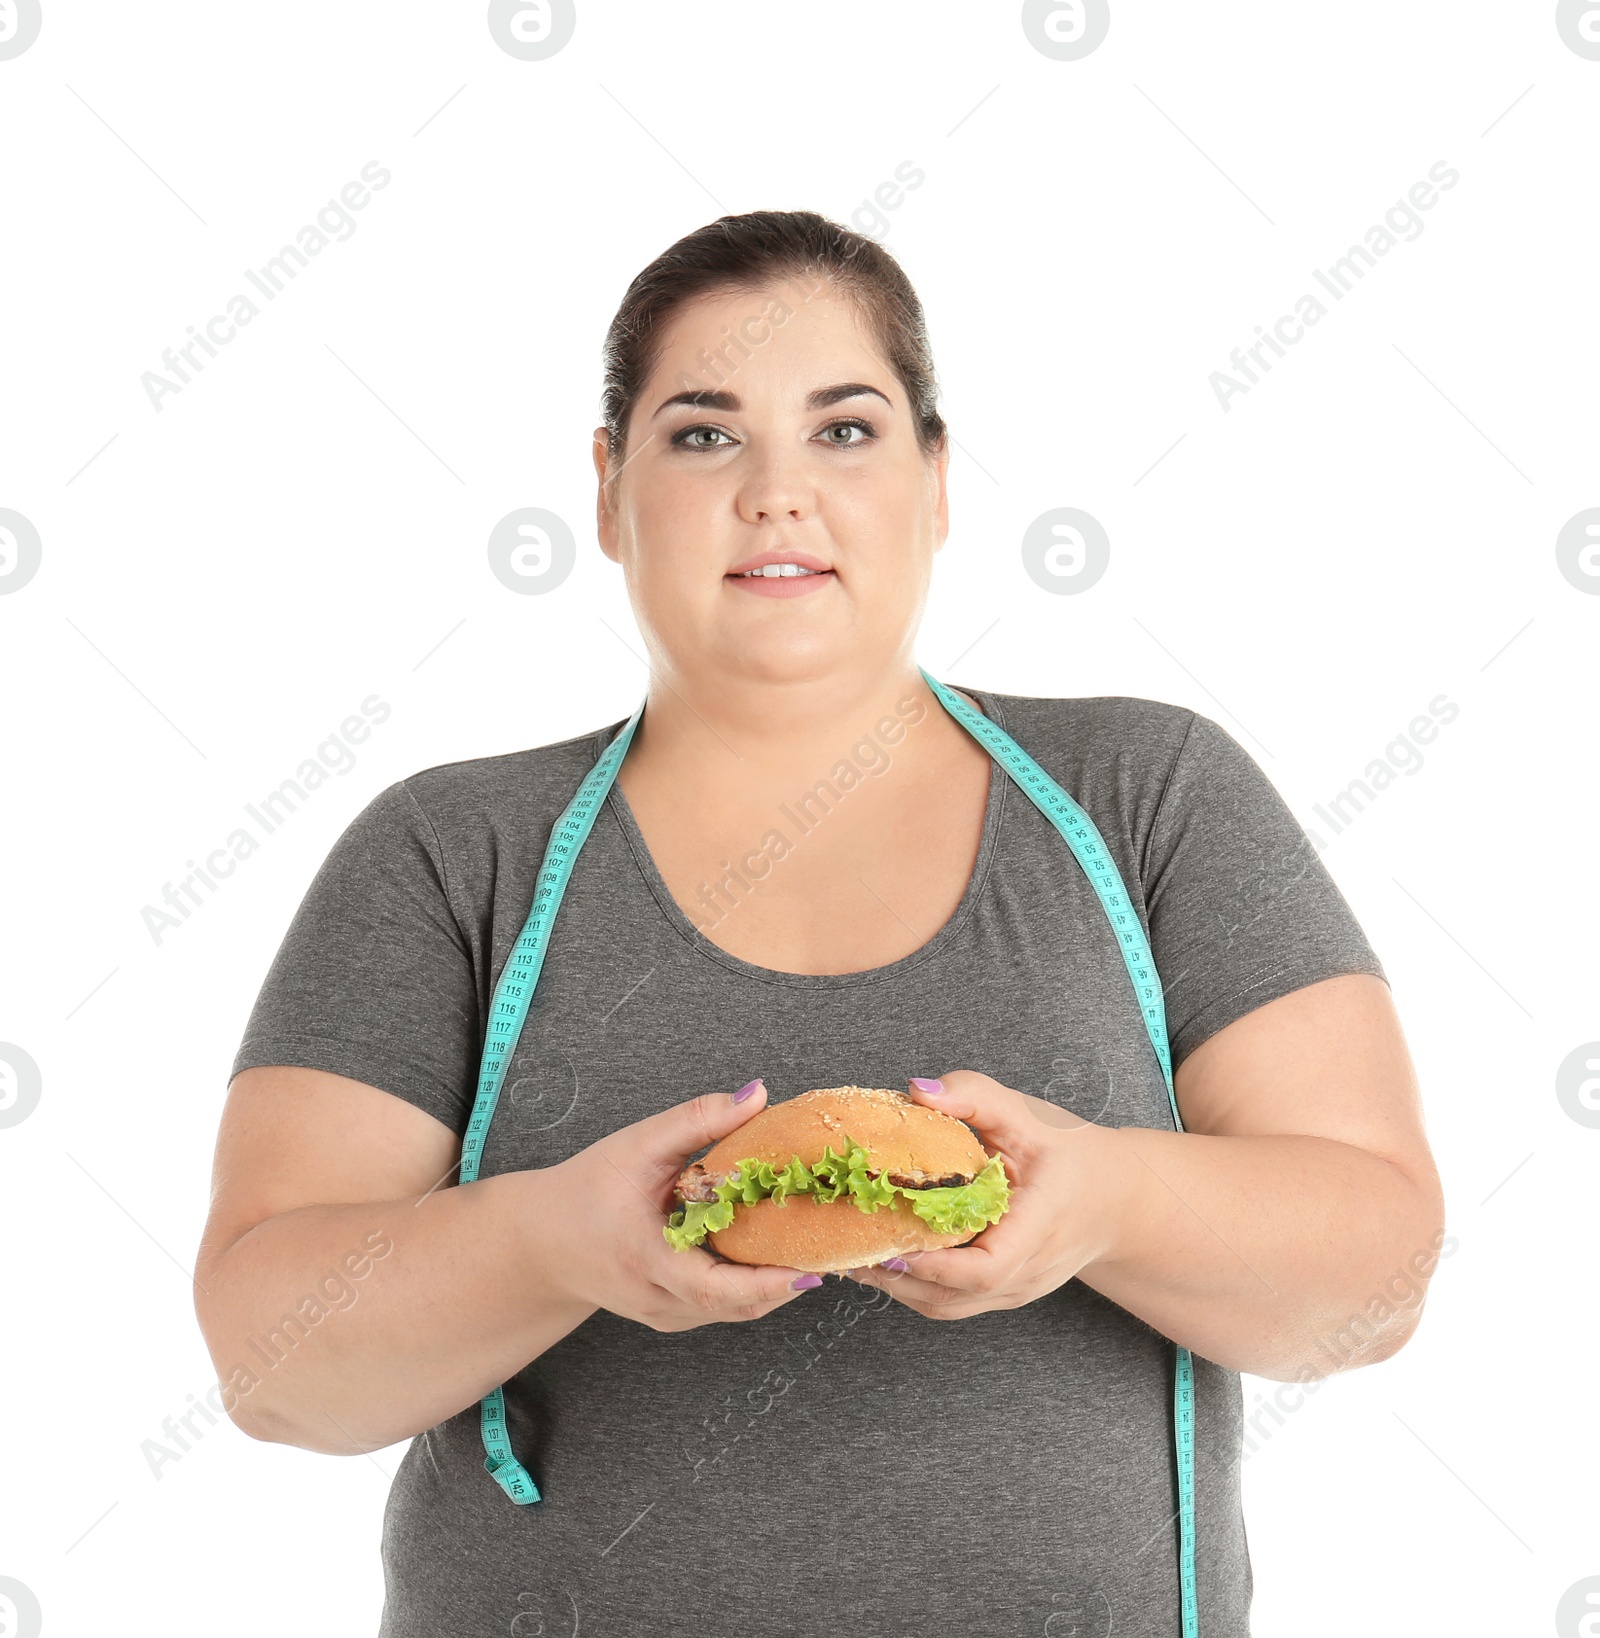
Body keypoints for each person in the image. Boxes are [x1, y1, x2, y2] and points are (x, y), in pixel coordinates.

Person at [193, 210, 1446, 1637]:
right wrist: (554, 1241)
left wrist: (1109, 1200)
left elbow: (1379, 1281)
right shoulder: (450, 852)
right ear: (608, 491)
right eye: (704, 435)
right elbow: (269, 1359)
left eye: (845, 431)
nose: (778, 492)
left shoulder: (1151, 796)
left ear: (938, 479)